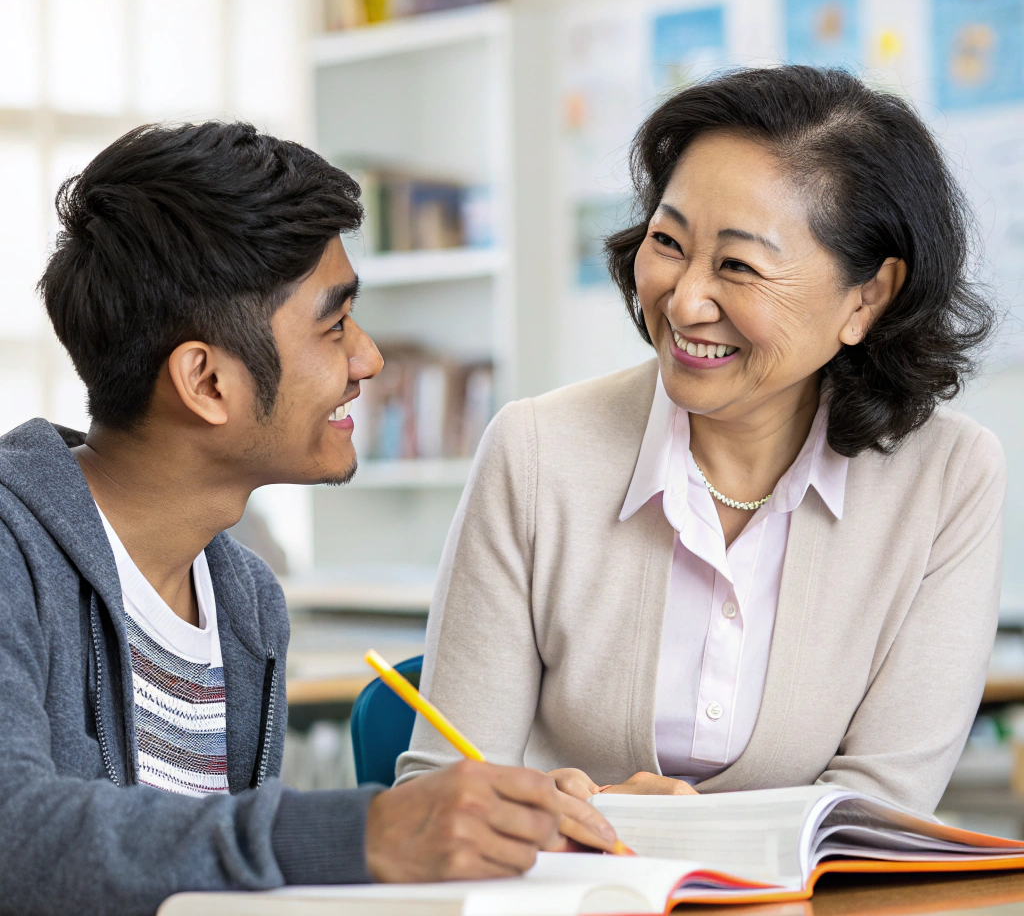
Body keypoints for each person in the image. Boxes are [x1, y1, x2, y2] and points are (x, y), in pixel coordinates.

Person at [0, 122, 617, 916]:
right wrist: (361, 836)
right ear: (207, 382)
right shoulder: (14, 554)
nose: (368, 359)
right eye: (334, 325)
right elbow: (15, 835)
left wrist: (512, 815)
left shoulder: (246, 602)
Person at [397, 66, 1006, 816]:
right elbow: (434, 797)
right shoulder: (536, 453)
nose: (684, 301)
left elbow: (879, 815)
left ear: (867, 296)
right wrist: (554, 814)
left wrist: (678, 835)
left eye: (738, 266)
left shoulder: (949, 477)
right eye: (669, 241)